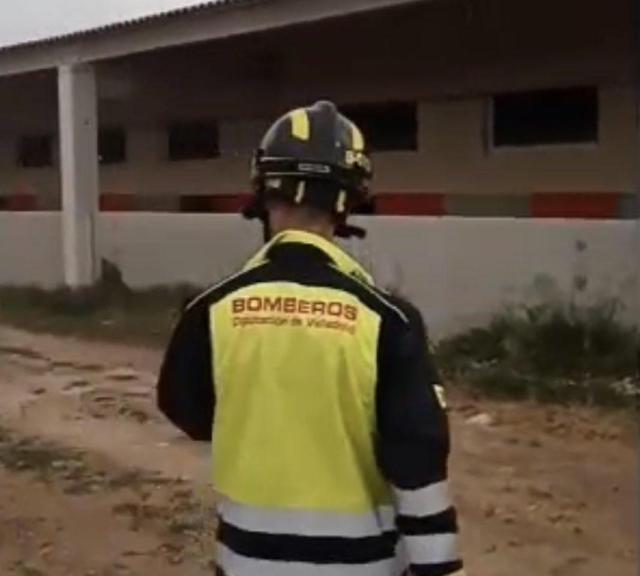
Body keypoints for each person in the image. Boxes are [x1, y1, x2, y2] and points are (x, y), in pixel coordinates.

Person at [157, 101, 463, 576]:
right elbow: (419, 465)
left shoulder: (210, 311)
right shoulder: (387, 319)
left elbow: (188, 412)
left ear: (263, 194)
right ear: (350, 198)